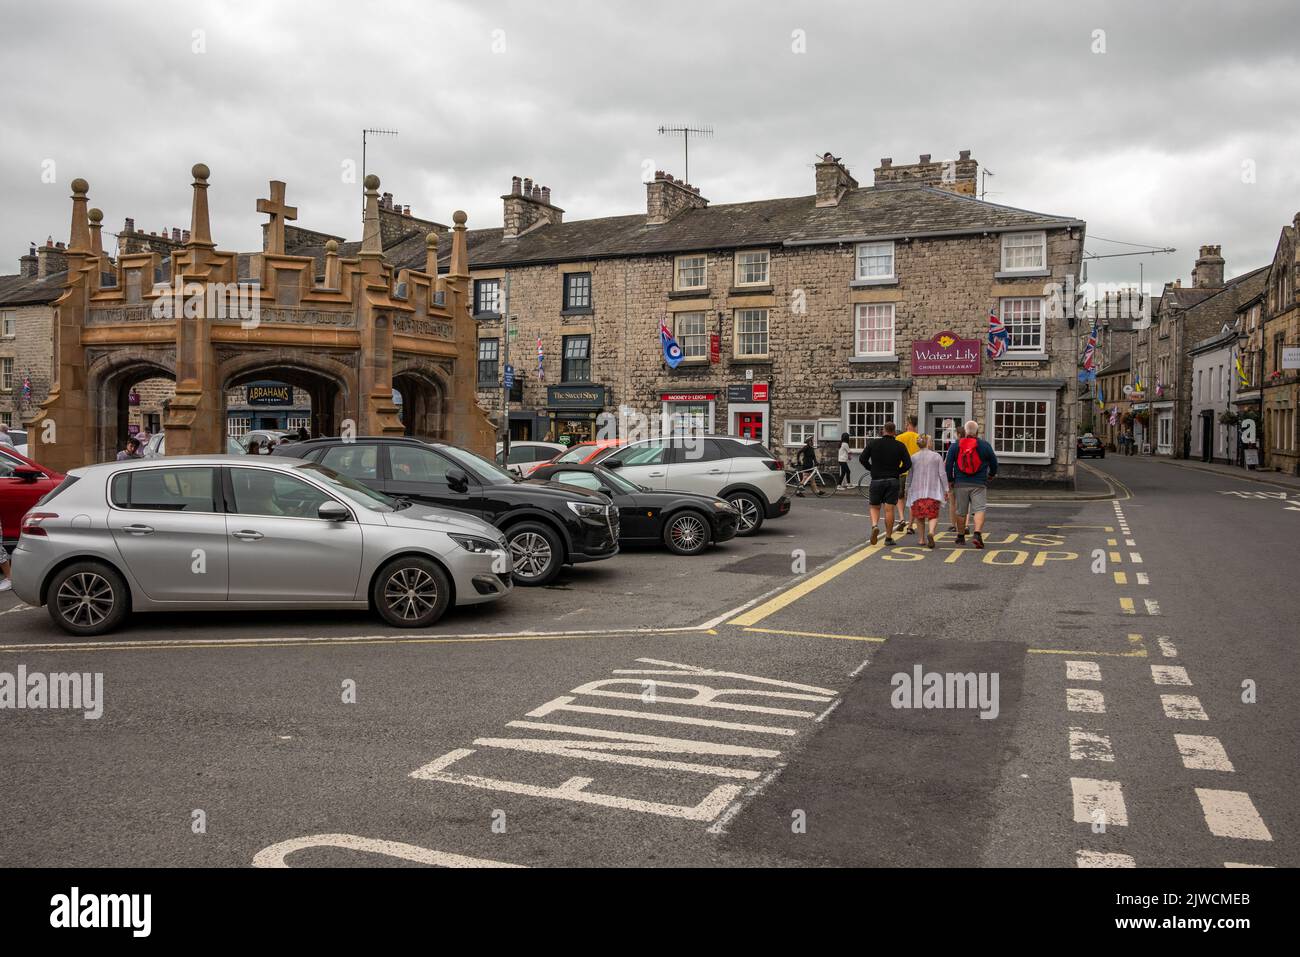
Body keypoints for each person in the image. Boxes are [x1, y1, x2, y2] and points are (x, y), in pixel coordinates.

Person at [945, 420, 998, 548]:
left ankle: (961, 536)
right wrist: (991, 475)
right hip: (979, 483)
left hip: (960, 483)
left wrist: (951, 480)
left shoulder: (955, 446)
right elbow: (994, 462)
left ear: (965, 431)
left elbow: (948, 464)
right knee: (979, 509)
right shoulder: (985, 445)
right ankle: (977, 533)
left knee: (961, 511)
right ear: (977, 432)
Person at [859, 422, 911, 546]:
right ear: (894, 432)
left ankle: (875, 526)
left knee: (874, 506)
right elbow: (908, 464)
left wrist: (871, 468)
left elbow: (862, 458)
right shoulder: (900, 445)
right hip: (893, 480)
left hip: (876, 479)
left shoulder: (873, 443)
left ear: (883, 431)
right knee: (889, 509)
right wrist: (898, 471)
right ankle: (888, 537)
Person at [905, 434, 949, 550]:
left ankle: (921, 539)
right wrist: (946, 489)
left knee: (919, 516)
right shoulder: (936, 456)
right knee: (932, 514)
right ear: (929, 443)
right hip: (933, 491)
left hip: (917, 491)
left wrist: (907, 488)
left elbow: (910, 475)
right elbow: (942, 474)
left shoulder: (913, 457)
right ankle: (931, 532)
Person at [895, 415, 921, 534]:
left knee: (900, 497)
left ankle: (901, 518)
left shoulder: (899, 437)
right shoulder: (920, 438)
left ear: (908, 423)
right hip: (915, 472)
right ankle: (910, 525)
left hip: (901, 470)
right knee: (913, 499)